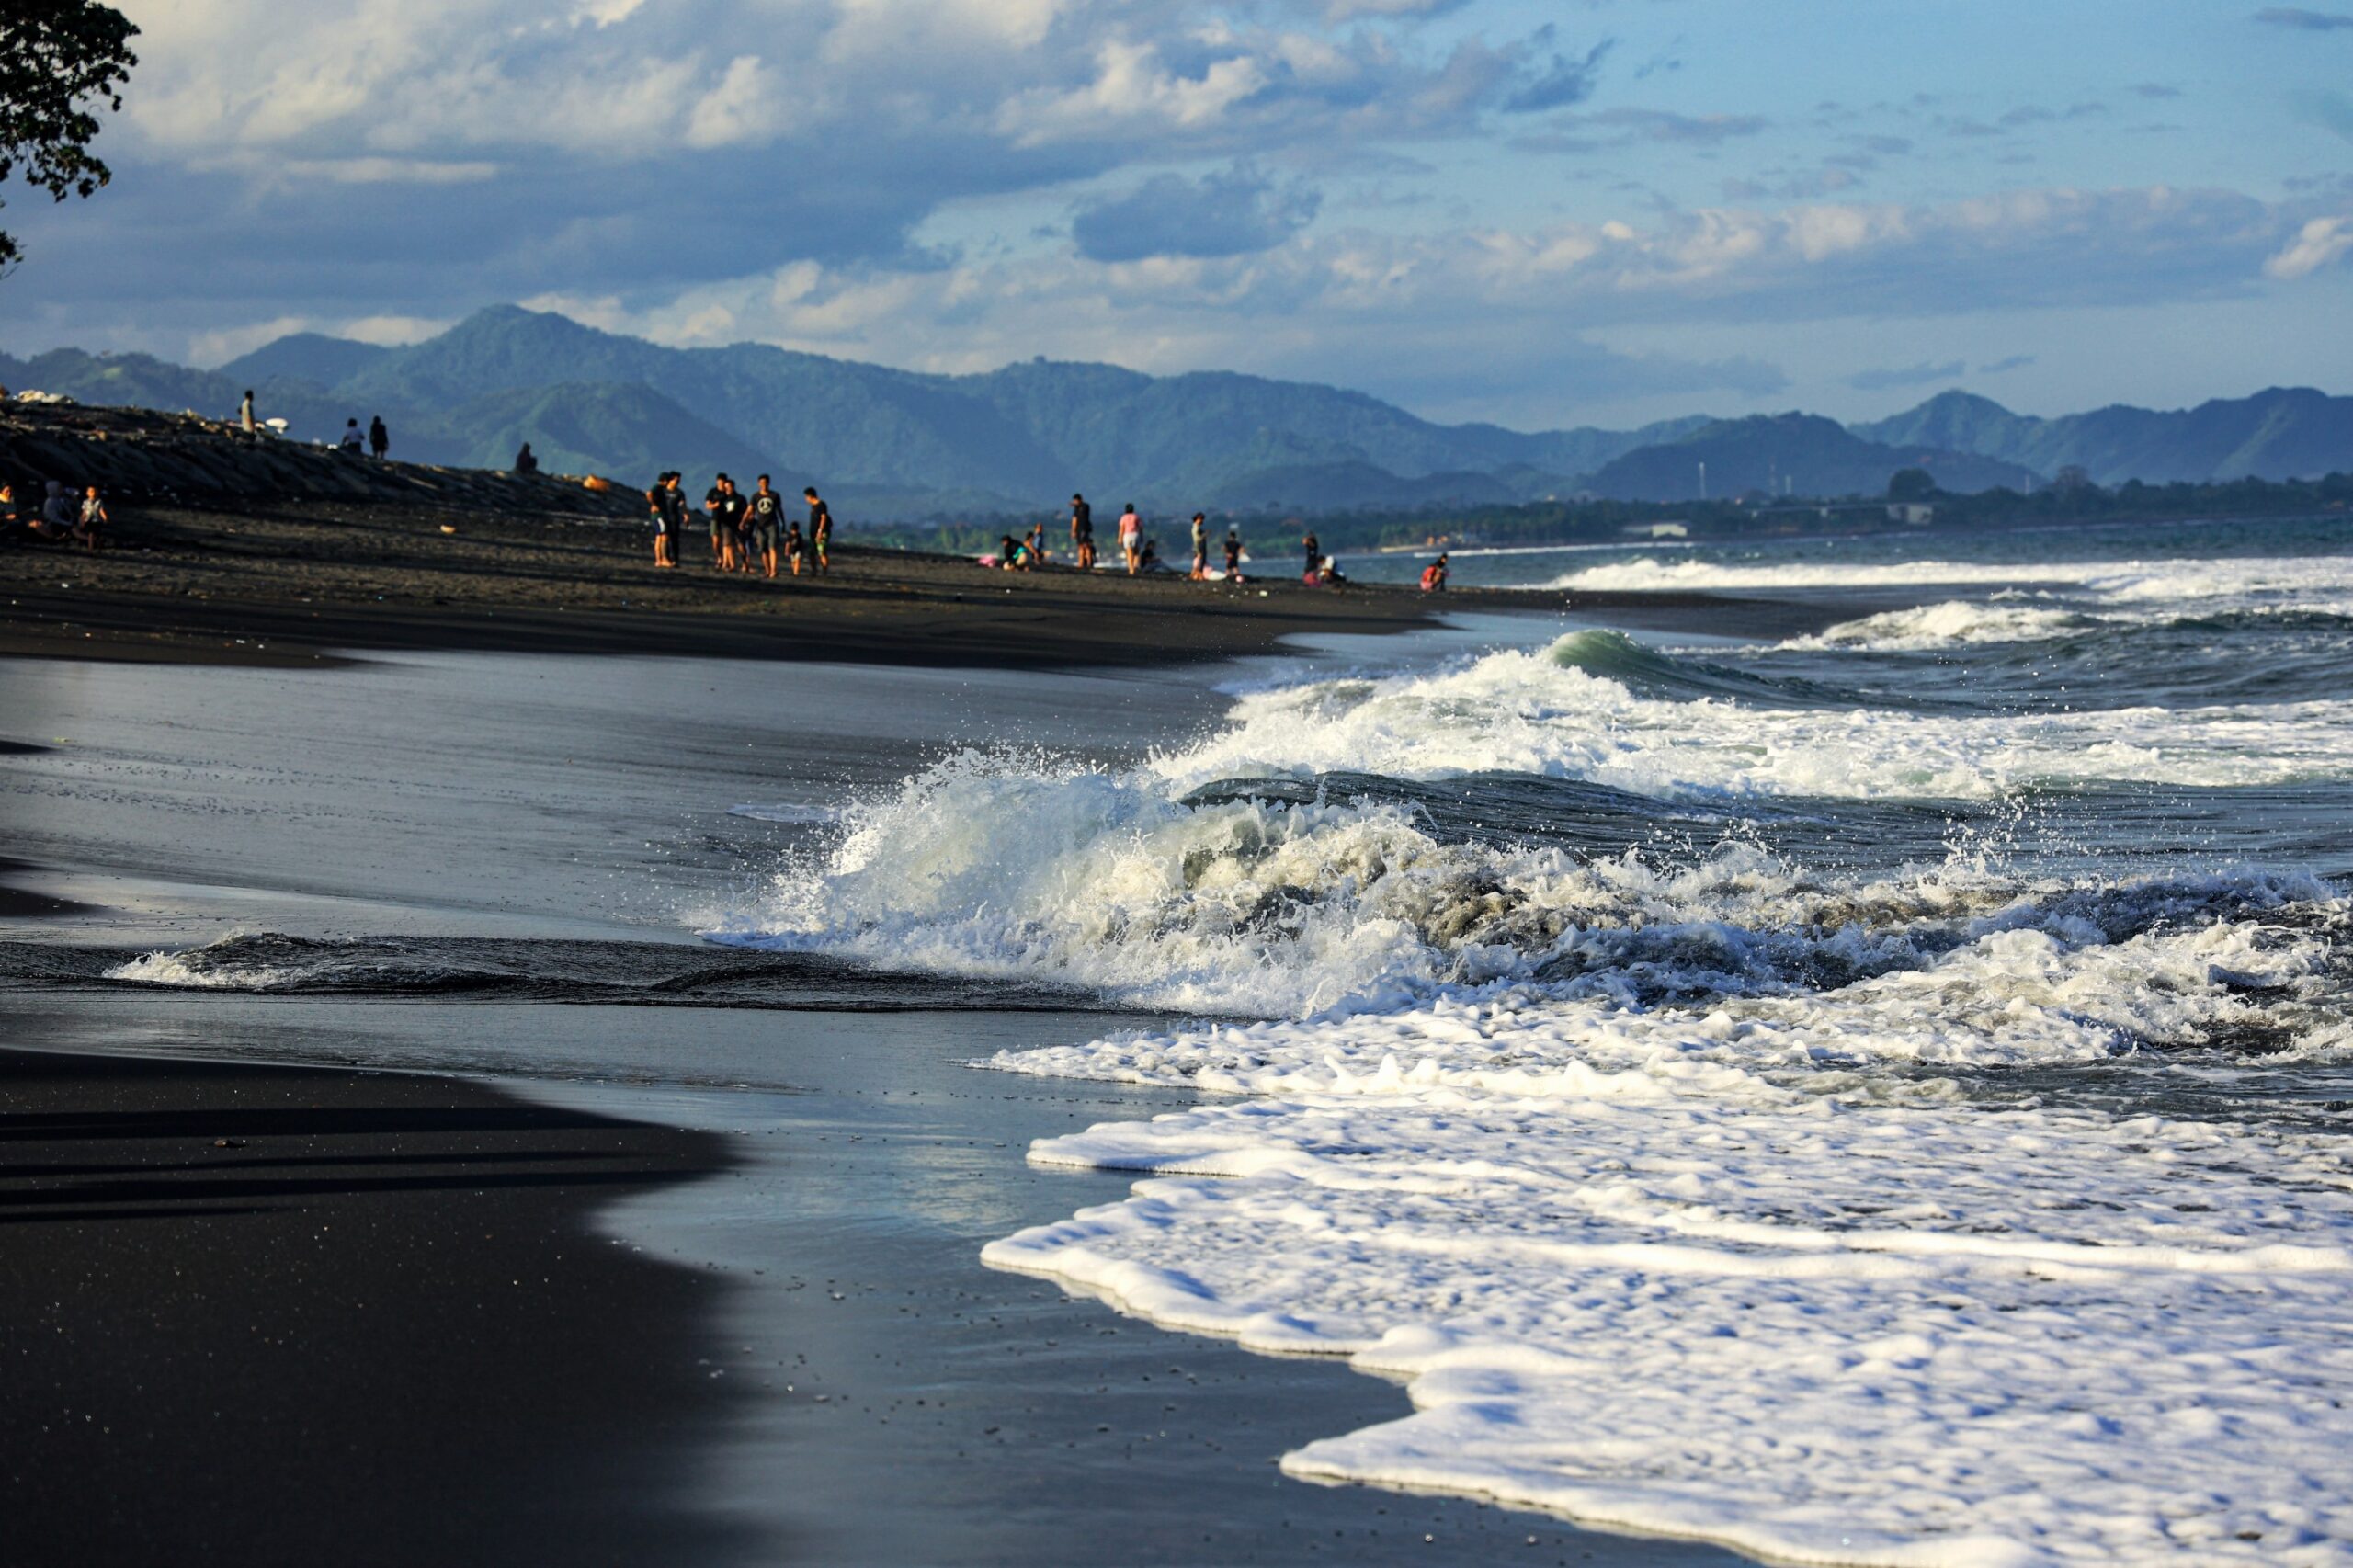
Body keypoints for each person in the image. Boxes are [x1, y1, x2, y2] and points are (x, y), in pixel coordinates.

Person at [748, 475, 786, 579]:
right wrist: (743, 521)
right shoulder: (755, 496)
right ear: (759, 483)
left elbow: (779, 510)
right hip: (760, 526)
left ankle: (773, 570)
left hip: (773, 524)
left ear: (769, 483)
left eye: (765, 482)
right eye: (762, 482)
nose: (764, 484)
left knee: (772, 547)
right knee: (763, 550)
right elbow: (750, 510)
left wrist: (783, 523)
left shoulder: (775, 495)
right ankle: (767, 570)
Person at [645, 473, 675, 568]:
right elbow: (648, 493)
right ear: (665, 480)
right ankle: (663, 559)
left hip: (658, 516)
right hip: (659, 516)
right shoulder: (657, 487)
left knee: (659, 537)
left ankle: (659, 560)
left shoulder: (659, 489)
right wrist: (654, 504)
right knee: (663, 536)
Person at [804, 487, 831, 574]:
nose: (806, 499)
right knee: (811, 552)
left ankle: (824, 571)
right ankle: (814, 570)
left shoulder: (821, 505)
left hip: (821, 533)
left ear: (810, 496)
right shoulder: (813, 506)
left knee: (821, 552)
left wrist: (820, 531)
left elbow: (823, 518)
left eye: (806, 497)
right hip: (813, 533)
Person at [74, 484, 108, 549]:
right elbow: (84, 512)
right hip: (88, 520)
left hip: (97, 520)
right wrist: (82, 520)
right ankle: (90, 548)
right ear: (87, 493)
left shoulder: (99, 502)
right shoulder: (86, 502)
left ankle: (98, 546)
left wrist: (105, 518)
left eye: (95, 491)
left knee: (97, 534)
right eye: (91, 491)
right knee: (90, 533)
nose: (93, 493)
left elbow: (101, 511)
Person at [1070, 494, 1095, 570]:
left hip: (1084, 528)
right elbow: (1074, 519)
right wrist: (1073, 530)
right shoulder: (1076, 509)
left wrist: (1075, 505)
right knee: (1080, 546)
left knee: (1086, 545)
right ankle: (1080, 563)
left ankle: (1089, 563)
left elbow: (1082, 512)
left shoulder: (1085, 506)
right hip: (1078, 529)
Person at [1118, 503, 1142, 574]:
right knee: (1136, 552)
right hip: (1135, 534)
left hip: (1127, 535)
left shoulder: (1123, 517)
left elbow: (1122, 528)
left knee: (1129, 552)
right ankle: (1135, 565)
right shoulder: (1136, 516)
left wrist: (1120, 538)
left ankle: (1131, 569)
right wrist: (1141, 536)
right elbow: (1140, 527)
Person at [782, 512, 805, 576]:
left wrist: (802, 550)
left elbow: (801, 543)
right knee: (793, 561)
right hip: (792, 551)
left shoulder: (799, 536)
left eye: (795, 530)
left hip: (798, 550)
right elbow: (788, 544)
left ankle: (796, 572)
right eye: (793, 530)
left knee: (797, 560)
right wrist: (786, 550)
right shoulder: (789, 536)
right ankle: (794, 570)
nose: (794, 532)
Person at [1189, 513, 1208, 579]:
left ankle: (1196, 576)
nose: (1202, 521)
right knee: (1199, 563)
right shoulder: (1195, 528)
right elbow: (1197, 540)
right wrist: (1198, 551)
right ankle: (1197, 576)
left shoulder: (1196, 527)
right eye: (1200, 519)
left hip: (1199, 547)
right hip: (1199, 548)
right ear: (1196, 519)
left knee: (1198, 563)